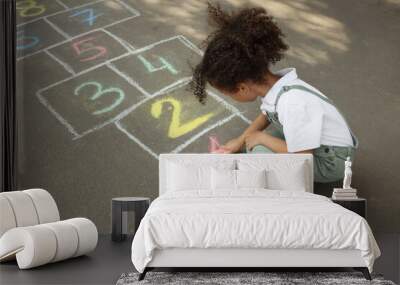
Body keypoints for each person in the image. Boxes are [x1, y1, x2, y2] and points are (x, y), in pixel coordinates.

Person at [190, 3, 358, 183]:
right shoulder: (275, 87)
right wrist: (240, 141)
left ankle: (278, 189)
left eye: (229, 94)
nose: (231, 98)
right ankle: (252, 149)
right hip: (320, 146)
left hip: (330, 162)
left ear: (242, 88)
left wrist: (261, 138)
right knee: (252, 143)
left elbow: (303, 157)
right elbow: (266, 114)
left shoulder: (292, 102)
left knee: (260, 153)